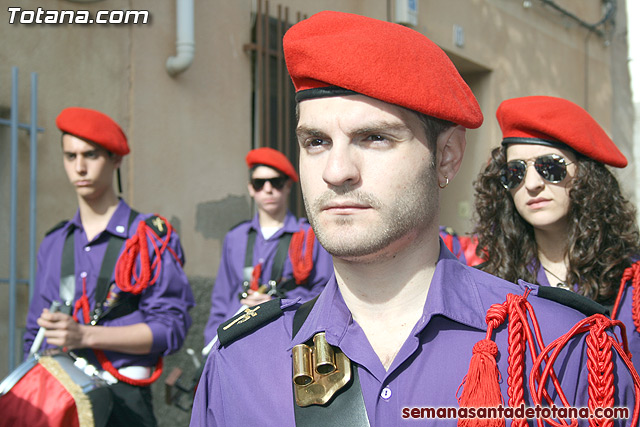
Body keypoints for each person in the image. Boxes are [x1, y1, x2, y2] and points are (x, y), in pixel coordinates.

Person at [191, 12, 637, 426]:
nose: (336, 171)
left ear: (446, 157)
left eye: (374, 137)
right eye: (316, 142)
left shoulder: (560, 348)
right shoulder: (242, 363)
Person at [22, 107, 195, 426]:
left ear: (115, 159)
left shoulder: (148, 237)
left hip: (124, 402)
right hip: (60, 398)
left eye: (91, 155)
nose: (80, 167)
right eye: (70, 156)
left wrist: (85, 336)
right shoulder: (54, 242)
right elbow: (34, 332)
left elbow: (171, 327)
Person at [473, 95, 640, 370]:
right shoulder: (488, 284)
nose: (531, 184)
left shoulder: (631, 284)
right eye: (515, 172)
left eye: (549, 167)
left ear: (586, 176)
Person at [203, 147, 333, 347]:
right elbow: (222, 299)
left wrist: (279, 305)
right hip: (236, 341)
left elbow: (325, 293)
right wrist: (211, 344)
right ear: (250, 189)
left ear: (288, 186)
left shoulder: (310, 236)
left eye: (276, 182)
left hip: (287, 338)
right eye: (259, 183)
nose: (268, 189)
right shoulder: (235, 237)